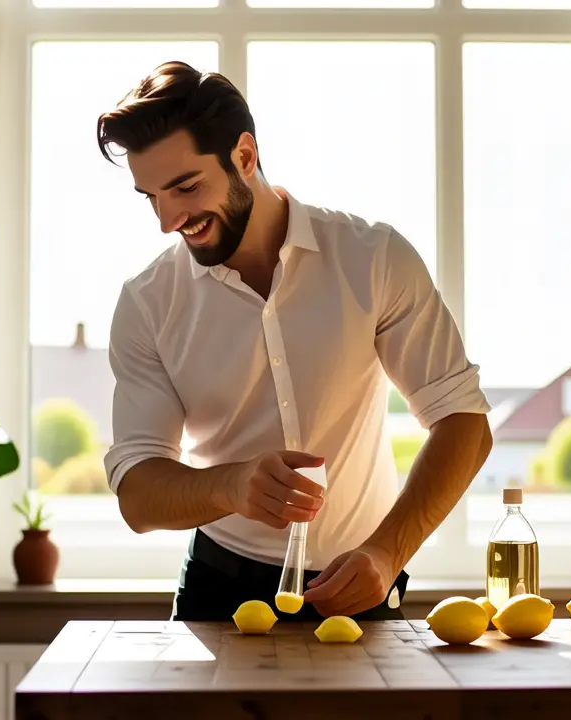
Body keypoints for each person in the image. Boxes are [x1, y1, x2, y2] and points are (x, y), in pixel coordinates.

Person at [97, 61, 494, 623]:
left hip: (366, 581)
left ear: (244, 156)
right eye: (151, 197)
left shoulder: (373, 258)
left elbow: (464, 423)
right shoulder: (147, 302)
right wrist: (231, 485)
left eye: (185, 187)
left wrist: (388, 552)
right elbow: (138, 494)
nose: (168, 220)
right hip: (220, 591)